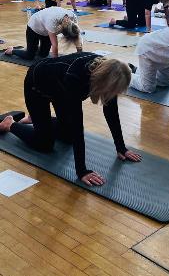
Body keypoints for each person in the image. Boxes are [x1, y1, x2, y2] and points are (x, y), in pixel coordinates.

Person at [0, 53, 141, 186]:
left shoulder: (111, 72)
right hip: (37, 85)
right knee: (44, 143)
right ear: (102, 82)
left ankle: (38, 119)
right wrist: (82, 171)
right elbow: (77, 126)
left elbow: (111, 112)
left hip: (59, 87)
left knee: (68, 137)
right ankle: (10, 124)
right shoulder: (76, 78)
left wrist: (121, 148)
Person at [4, 7, 82, 61]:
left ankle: (32, 48)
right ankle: (12, 50)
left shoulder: (73, 18)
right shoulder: (52, 21)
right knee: (29, 56)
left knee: (44, 54)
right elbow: (54, 45)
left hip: (45, 30)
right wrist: (55, 62)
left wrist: (80, 55)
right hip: (34, 26)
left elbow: (77, 37)